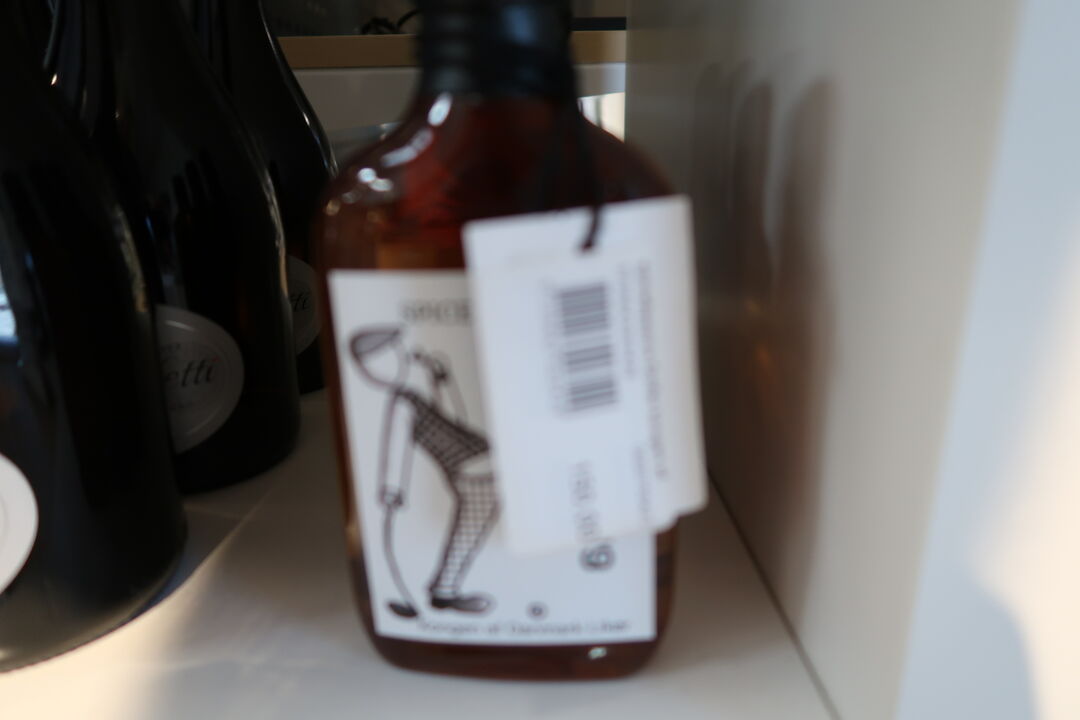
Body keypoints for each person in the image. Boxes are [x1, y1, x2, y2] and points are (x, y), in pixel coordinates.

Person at [350, 326, 498, 615]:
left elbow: (460, 419)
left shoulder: (420, 388)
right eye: (393, 351)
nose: (403, 355)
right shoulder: (403, 404)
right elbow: (396, 447)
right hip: (473, 474)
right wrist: (392, 489)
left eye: (399, 349)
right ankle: (444, 590)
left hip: (483, 464)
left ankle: (445, 589)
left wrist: (443, 380)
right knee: (470, 529)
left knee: (474, 528)